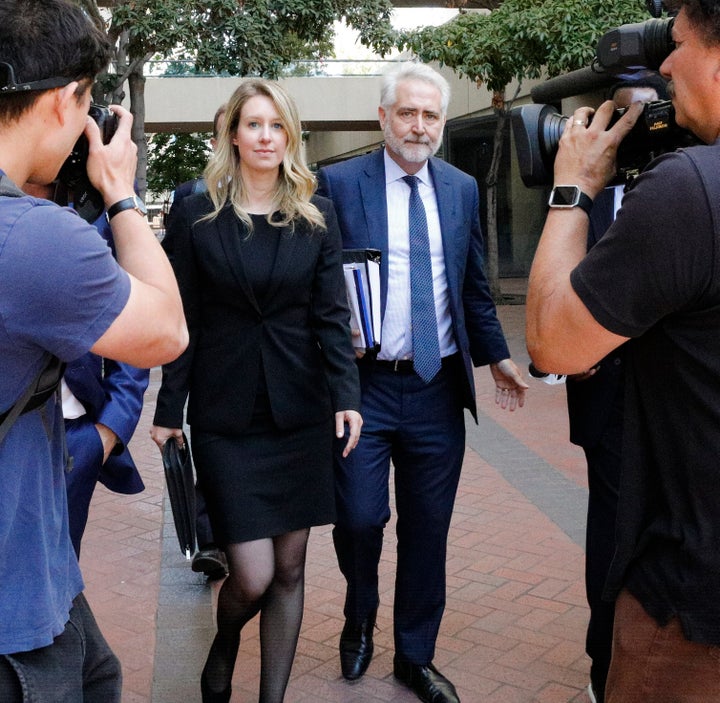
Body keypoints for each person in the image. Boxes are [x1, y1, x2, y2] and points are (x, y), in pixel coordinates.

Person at [525, 1, 720, 700]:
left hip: (692, 609)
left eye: (678, 43)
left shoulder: (690, 191)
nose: (666, 66)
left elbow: (551, 341)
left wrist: (571, 191)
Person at [317, 61, 528, 703]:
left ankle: (415, 655)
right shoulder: (338, 183)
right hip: (364, 388)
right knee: (357, 517)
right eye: (406, 112)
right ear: (384, 117)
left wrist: (497, 357)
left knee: (428, 527)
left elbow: (473, 288)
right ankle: (359, 613)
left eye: (430, 115)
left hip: (437, 388)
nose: (418, 125)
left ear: (441, 122)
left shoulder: (461, 189)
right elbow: (318, 289)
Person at [150, 78, 363, 703]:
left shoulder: (316, 213)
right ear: (233, 135)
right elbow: (180, 319)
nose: (266, 136)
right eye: (254, 125)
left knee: (292, 568)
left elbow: (331, 316)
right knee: (253, 572)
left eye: (277, 125)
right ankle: (224, 644)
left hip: (301, 410)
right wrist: (168, 411)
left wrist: (347, 396)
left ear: (289, 135)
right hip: (226, 414)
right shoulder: (195, 215)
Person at [0, 1, 187, 701]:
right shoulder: (33, 236)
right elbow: (166, 328)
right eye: (86, 102)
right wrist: (119, 193)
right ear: (61, 101)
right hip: (14, 621)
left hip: (46, 573)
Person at [564, 76, 667, 703]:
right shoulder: (586, 194)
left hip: (679, 403)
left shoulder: (687, 183)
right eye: (619, 115)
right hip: (605, 396)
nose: (628, 131)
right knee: (609, 530)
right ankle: (603, 656)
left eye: (643, 116)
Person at [23, 182, 151, 559]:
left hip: (74, 434)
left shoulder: (101, 200)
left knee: (58, 572)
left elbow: (139, 318)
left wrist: (110, 427)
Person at [164, 103, 229, 581]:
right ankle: (211, 544)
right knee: (210, 461)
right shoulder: (190, 200)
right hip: (207, 359)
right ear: (215, 142)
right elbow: (175, 289)